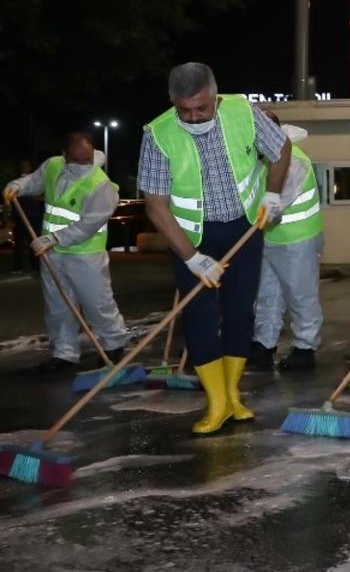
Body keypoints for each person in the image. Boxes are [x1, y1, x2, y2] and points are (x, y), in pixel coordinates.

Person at [137, 62, 291, 435]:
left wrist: (272, 193)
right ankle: (216, 401)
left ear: (215, 95)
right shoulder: (158, 134)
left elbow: (281, 148)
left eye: (201, 108)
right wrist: (193, 258)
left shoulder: (243, 112)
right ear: (172, 100)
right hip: (191, 237)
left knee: (240, 311)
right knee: (200, 316)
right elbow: (156, 205)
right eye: (184, 110)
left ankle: (233, 394)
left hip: (243, 229)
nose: (193, 117)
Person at [4, 135, 128, 371]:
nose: (82, 165)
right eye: (76, 160)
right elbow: (36, 181)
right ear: (64, 155)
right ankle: (64, 352)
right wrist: (18, 186)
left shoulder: (101, 185)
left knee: (97, 302)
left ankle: (114, 345)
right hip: (52, 253)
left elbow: (88, 224)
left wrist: (54, 238)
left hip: (86, 254)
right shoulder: (53, 166)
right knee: (58, 304)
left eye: (87, 159)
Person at [249, 114, 324, 371]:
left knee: (301, 294)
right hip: (269, 238)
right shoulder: (262, 158)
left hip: (297, 239)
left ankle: (305, 347)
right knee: (267, 293)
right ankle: (264, 344)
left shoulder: (294, 161)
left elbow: (278, 203)